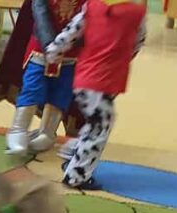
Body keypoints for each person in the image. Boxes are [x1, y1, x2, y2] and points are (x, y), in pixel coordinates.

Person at [46, 0, 147, 190]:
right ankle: (76, 175)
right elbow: (138, 41)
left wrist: (53, 51)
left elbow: (71, 31)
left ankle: (74, 152)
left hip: (86, 76)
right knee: (100, 125)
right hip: (106, 79)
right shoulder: (136, 12)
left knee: (98, 123)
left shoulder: (92, 6)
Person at [0, 0, 86, 155]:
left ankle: (47, 132)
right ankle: (18, 129)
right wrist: (50, 45)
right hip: (41, 47)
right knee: (32, 86)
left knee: (61, 93)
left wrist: (72, 42)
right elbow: (40, 12)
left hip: (72, 53)